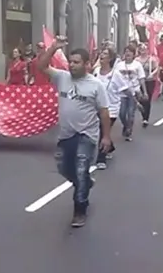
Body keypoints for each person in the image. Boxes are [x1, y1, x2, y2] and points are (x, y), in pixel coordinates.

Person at [36, 36, 112, 228]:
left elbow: (104, 112)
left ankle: (80, 210)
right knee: (64, 168)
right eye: (70, 61)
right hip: (66, 134)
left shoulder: (96, 85)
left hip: (87, 136)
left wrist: (106, 136)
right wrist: (53, 47)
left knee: (79, 170)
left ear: (87, 64)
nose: (72, 65)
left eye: (77, 62)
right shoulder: (62, 77)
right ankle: (86, 181)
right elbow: (42, 66)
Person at [93, 48, 128, 170]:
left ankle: (101, 159)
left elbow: (126, 89)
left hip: (111, 108)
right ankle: (110, 146)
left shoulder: (116, 74)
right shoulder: (96, 71)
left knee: (103, 130)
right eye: (101, 53)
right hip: (97, 107)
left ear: (110, 59)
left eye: (105, 54)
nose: (102, 55)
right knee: (100, 130)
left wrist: (136, 100)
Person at [114, 45, 146, 141]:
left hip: (134, 92)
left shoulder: (137, 65)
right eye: (126, 51)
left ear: (133, 54)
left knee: (130, 113)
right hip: (122, 93)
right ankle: (126, 125)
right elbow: (114, 78)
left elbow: (141, 78)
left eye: (130, 52)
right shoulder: (119, 65)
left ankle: (129, 130)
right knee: (122, 113)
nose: (128, 53)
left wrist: (144, 92)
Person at [136, 43, 159, 126]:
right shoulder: (136, 60)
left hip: (149, 81)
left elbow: (157, 68)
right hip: (139, 81)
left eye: (144, 49)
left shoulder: (151, 59)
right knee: (140, 98)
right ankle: (143, 113)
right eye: (141, 49)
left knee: (147, 99)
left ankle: (145, 118)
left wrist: (152, 74)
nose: (143, 51)